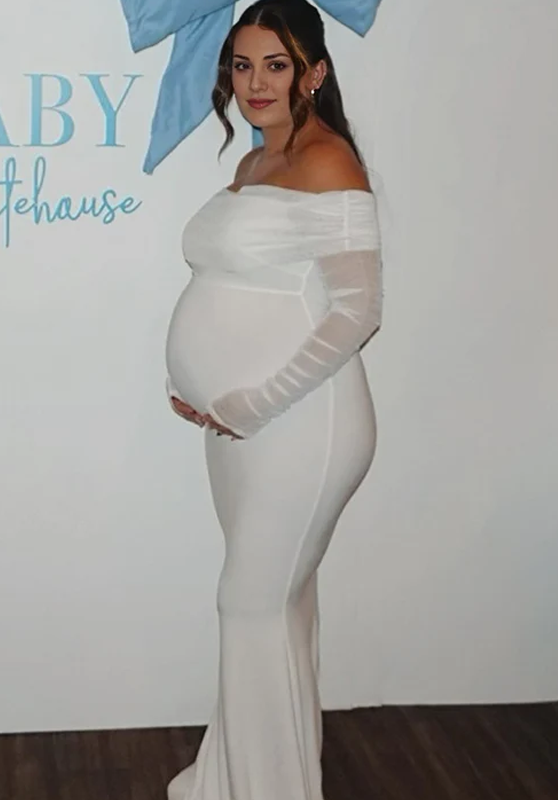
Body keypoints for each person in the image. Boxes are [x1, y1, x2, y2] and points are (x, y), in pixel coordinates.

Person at [164, 1, 383, 797]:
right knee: (278, 607)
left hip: (300, 425)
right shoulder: (256, 163)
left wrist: (250, 404)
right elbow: (237, 287)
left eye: (277, 64)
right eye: (243, 64)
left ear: (314, 73)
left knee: (250, 604)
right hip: (235, 430)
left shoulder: (328, 161)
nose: (256, 82)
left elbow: (359, 311)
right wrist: (195, 385)